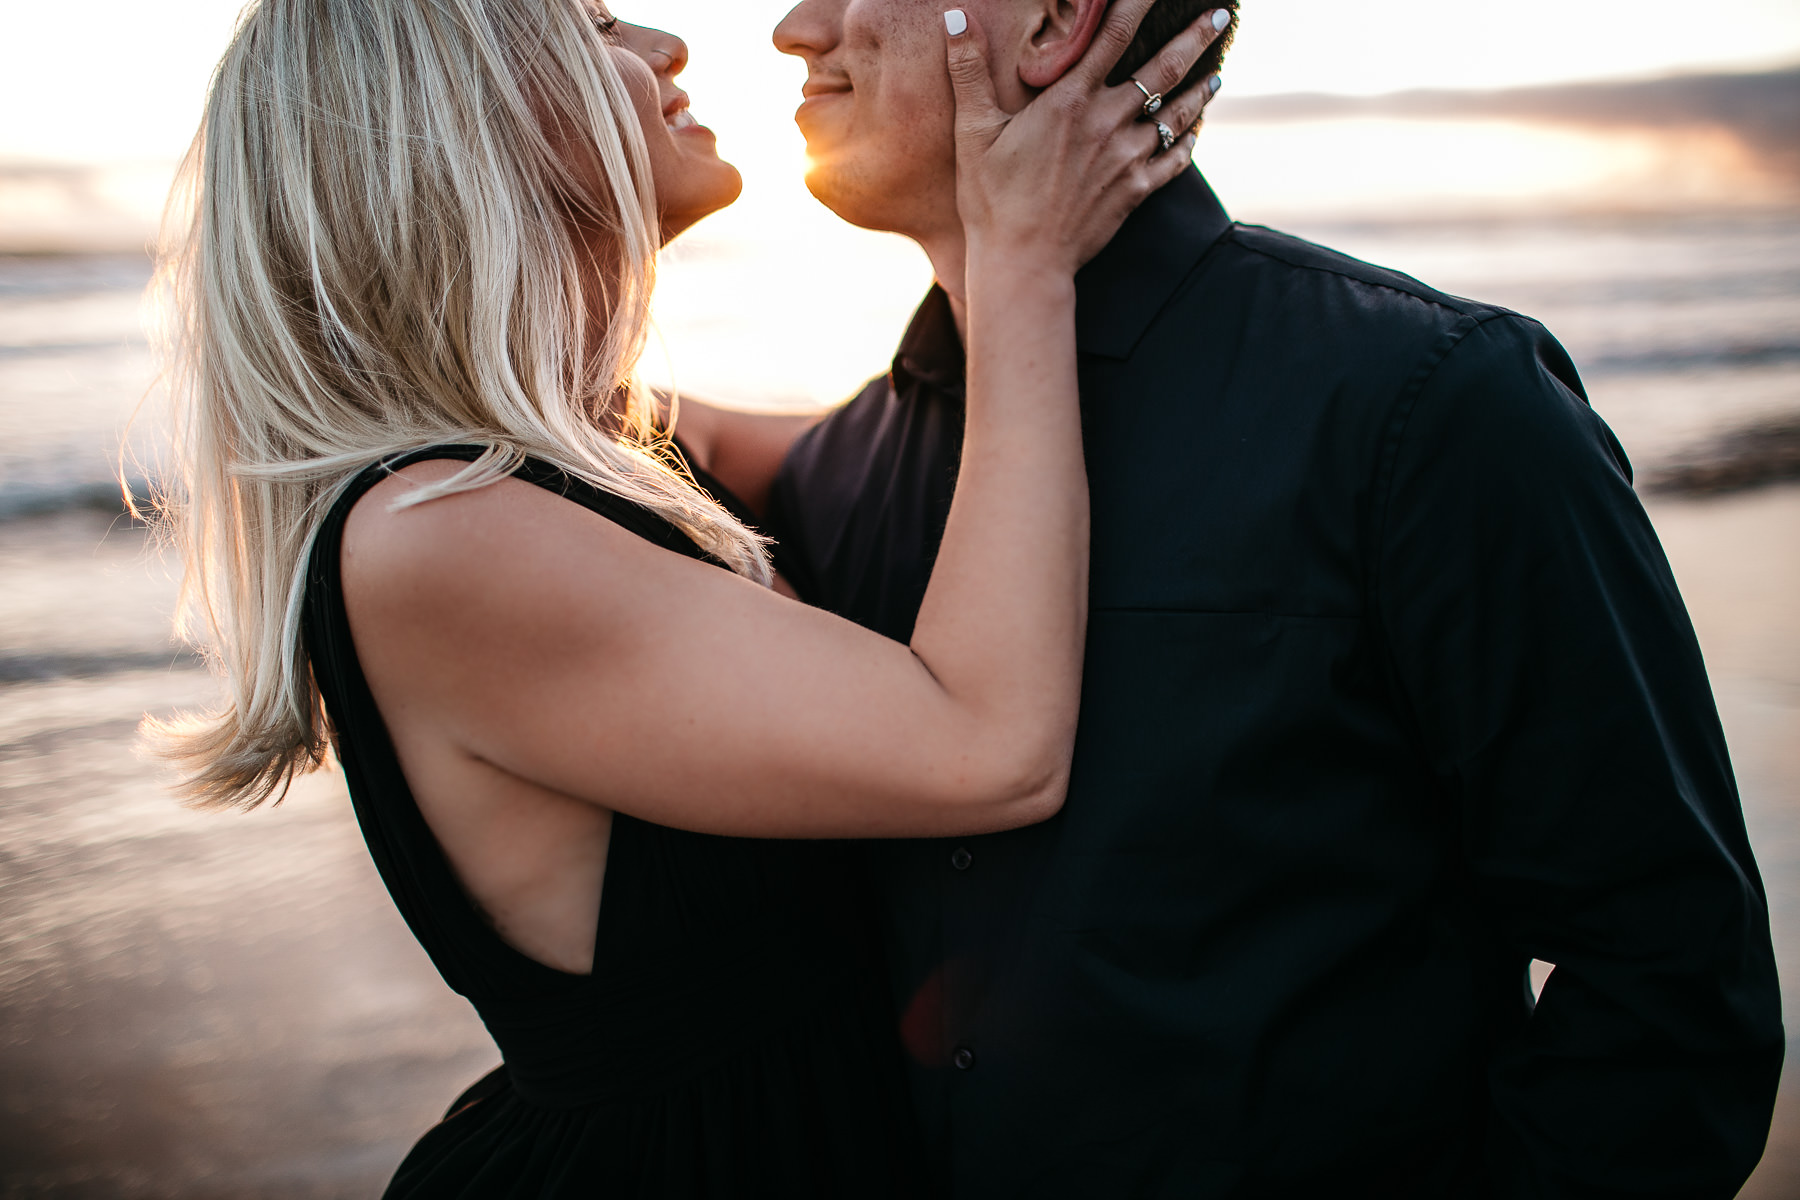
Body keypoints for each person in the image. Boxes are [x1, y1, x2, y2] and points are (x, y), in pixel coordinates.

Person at [146, 0, 1226, 1194]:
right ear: (453, 120)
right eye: (595, 25)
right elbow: (991, 745)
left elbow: (928, 474)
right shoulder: (438, 539)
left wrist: (988, 233)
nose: (667, 46)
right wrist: (1020, 255)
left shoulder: (625, 448)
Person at [765, 0, 1787, 1195]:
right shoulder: (835, 478)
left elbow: (1671, 985)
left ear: (1052, 20)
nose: (795, 27)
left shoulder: (1428, 407)